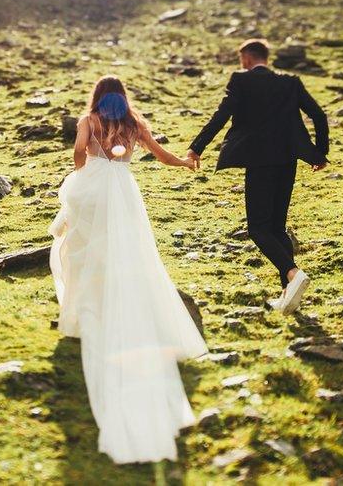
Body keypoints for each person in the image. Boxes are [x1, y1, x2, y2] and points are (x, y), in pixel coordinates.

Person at [49, 76, 208, 464]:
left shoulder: (89, 119)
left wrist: (83, 175)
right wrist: (185, 163)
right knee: (130, 251)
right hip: (123, 190)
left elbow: (77, 153)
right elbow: (160, 153)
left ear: (97, 96)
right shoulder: (134, 121)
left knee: (82, 251)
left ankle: (86, 309)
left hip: (93, 189)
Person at [186, 39, 330, 314]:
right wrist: (319, 153)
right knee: (277, 228)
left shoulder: (241, 81)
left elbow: (221, 116)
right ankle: (289, 295)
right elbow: (319, 116)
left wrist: (197, 147)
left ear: (248, 59)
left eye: (242, 60)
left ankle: (292, 273)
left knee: (258, 228)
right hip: (287, 160)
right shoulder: (290, 82)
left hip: (259, 162)